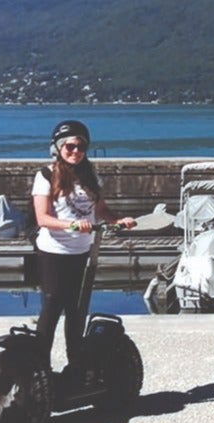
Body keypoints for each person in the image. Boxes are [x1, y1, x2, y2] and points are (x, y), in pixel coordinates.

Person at [32, 120, 136, 365]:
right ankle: (39, 369)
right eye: (70, 146)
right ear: (58, 147)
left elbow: (100, 210)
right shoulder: (46, 175)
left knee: (76, 310)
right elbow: (42, 218)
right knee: (52, 308)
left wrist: (119, 220)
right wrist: (72, 225)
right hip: (54, 252)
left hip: (81, 252)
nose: (76, 152)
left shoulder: (91, 177)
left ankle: (75, 365)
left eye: (81, 147)